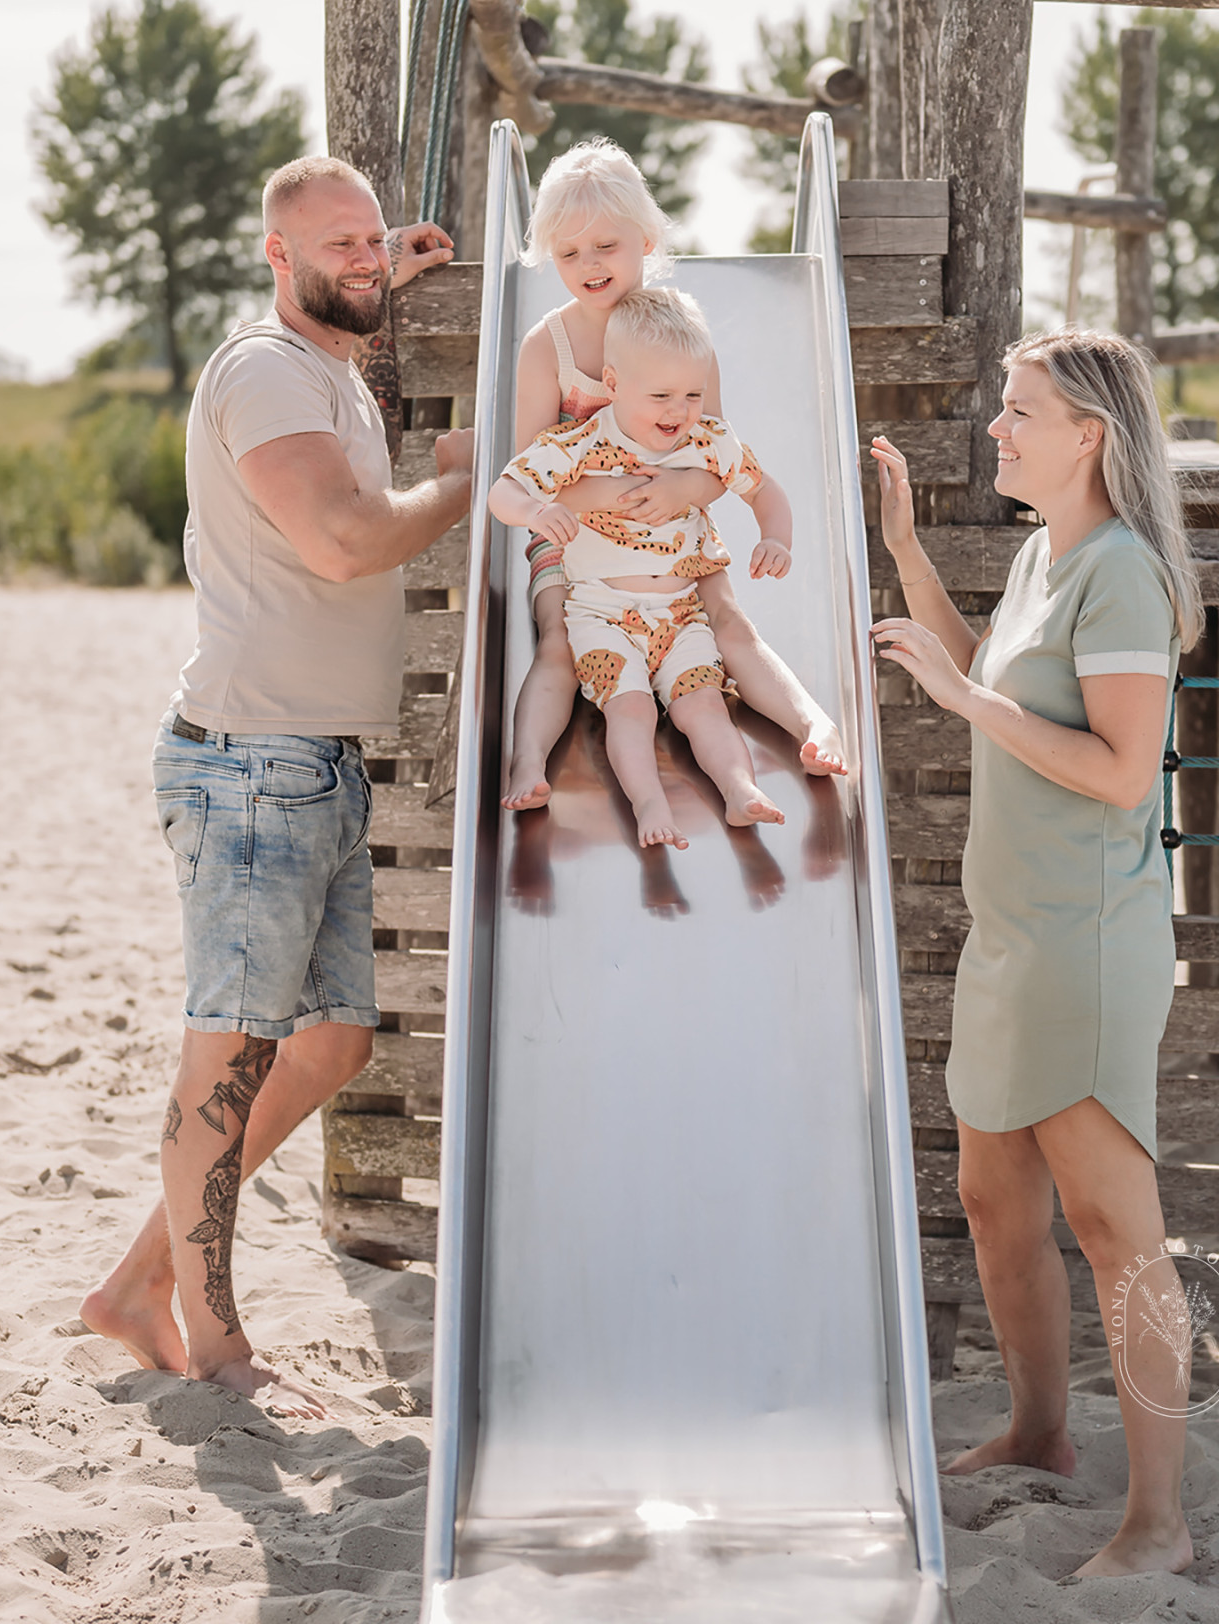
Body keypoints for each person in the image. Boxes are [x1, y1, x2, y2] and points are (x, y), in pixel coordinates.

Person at [80, 155, 473, 1418]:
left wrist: (379, 264)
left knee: (331, 1043)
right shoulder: (263, 370)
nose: (362, 256)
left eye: (373, 238)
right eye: (333, 243)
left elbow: (351, 280)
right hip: (252, 761)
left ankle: (134, 1283)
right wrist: (470, 477)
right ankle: (213, 1342)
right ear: (274, 255)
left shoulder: (331, 365)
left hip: (318, 763)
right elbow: (344, 539)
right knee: (232, 1056)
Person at [871, 327, 1202, 1581]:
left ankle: (1157, 1522)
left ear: (1089, 434)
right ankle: (1039, 1431)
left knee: (1115, 1229)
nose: (996, 428)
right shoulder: (1042, 553)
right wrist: (908, 553)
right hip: (1010, 937)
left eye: (1018, 410)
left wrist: (964, 701)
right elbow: (993, 686)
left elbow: (1119, 772)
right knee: (995, 1203)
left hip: (1087, 943)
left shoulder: (1121, 575)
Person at [501, 138, 845, 812]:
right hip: (574, 535)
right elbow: (528, 472)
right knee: (556, 642)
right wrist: (612, 496)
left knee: (729, 620)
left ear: (646, 238)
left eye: (606, 245)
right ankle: (527, 761)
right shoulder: (549, 347)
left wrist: (685, 489)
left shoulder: (683, 336)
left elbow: (715, 452)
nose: (590, 265)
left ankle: (813, 724)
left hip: (675, 528)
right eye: (569, 253)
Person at [490, 286, 794, 849]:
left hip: (680, 612)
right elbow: (504, 491)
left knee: (705, 705)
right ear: (612, 385)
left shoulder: (707, 440)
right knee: (630, 709)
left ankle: (740, 789)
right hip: (601, 612)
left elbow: (763, 489)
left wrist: (776, 537)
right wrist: (536, 510)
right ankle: (646, 801)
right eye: (661, 396)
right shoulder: (579, 443)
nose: (678, 411)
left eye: (692, 395)